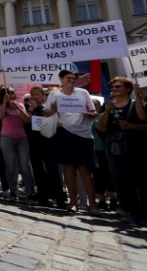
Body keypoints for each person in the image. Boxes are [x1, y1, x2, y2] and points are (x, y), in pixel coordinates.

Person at [43, 69, 98, 214]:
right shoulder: (54, 94)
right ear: (61, 79)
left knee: (85, 170)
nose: (71, 80)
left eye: (74, 78)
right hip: (64, 133)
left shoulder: (83, 93)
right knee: (69, 169)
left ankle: (92, 204)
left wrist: (89, 114)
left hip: (83, 135)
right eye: (68, 78)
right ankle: (73, 202)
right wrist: (53, 110)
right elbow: (46, 112)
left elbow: (93, 112)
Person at [97, 77, 147, 222]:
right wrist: (107, 112)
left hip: (136, 148)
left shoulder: (133, 103)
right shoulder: (108, 105)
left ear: (127, 89)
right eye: (113, 87)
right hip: (116, 149)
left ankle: (142, 211)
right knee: (122, 180)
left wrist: (137, 97)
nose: (114, 89)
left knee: (140, 180)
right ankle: (129, 209)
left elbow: (143, 119)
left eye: (118, 87)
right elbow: (101, 127)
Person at [25, 86, 65, 207]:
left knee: (52, 170)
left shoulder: (47, 109)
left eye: (38, 94)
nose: (35, 96)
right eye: (33, 94)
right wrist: (30, 110)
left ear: (43, 96)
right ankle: (43, 197)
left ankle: (59, 198)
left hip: (48, 143)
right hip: (34, 143)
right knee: (38, 171)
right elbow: (25, 122)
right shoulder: (28, 109)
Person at [0, 86, 34, 203]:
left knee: (25, 166)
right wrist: (4, 102)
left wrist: (18, 107)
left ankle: (29, 193)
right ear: (5, 94)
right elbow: (1, 116)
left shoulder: (20, 105)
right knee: (10, 166)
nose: (14, 93)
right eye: (11, 92)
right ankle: (13, 191)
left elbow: (27, 120)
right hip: (7, 138)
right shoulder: (0, 106)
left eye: (13, 92)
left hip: (22, 138)